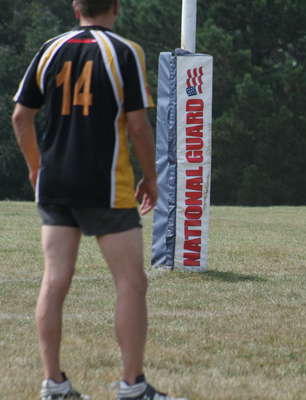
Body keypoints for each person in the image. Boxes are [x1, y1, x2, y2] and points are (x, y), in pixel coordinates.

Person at [12, 1, 185, 399]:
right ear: (116, 7)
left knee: (54, 280)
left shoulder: (50, 48)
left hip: (56, 182)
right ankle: (133, 386)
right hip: (105, 183)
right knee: (130, 282)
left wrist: (36, 167)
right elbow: (138, 126)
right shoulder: (125, 51)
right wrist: (151, 177)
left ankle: (54, 385)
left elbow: (21, 117)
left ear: (76, 8)